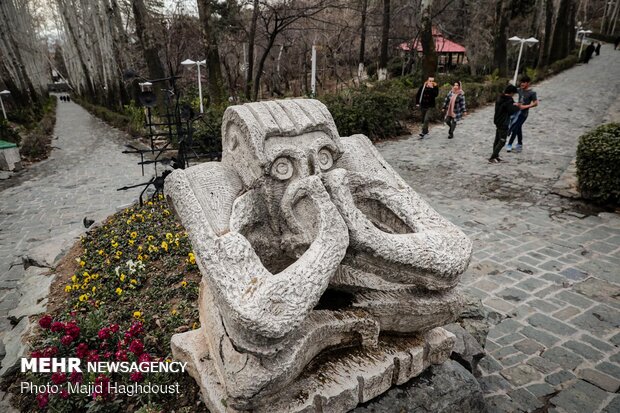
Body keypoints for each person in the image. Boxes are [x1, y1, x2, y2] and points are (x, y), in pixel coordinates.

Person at [489, 85, 521, 163]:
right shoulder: (508, 100)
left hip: (497, 120)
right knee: (502, 141)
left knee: (497, 139)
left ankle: (496, 156)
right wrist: (518, 106)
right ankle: (493, 157)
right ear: (511, 92)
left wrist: (514, 104)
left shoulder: (500, 97)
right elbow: (511, 111)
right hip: (504, 122)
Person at [507, 75, 538, 153]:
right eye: (521, 82)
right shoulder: (520, 90)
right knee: (518, 128)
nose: (522, 84)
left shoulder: (532, 93)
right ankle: (520, 144)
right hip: (516, 112)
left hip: (523, 114)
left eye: (524, 82)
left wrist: (525, 106)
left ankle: (509, 144)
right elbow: (511, 90)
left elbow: (535, 103)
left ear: (528, 83)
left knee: (515, 128)